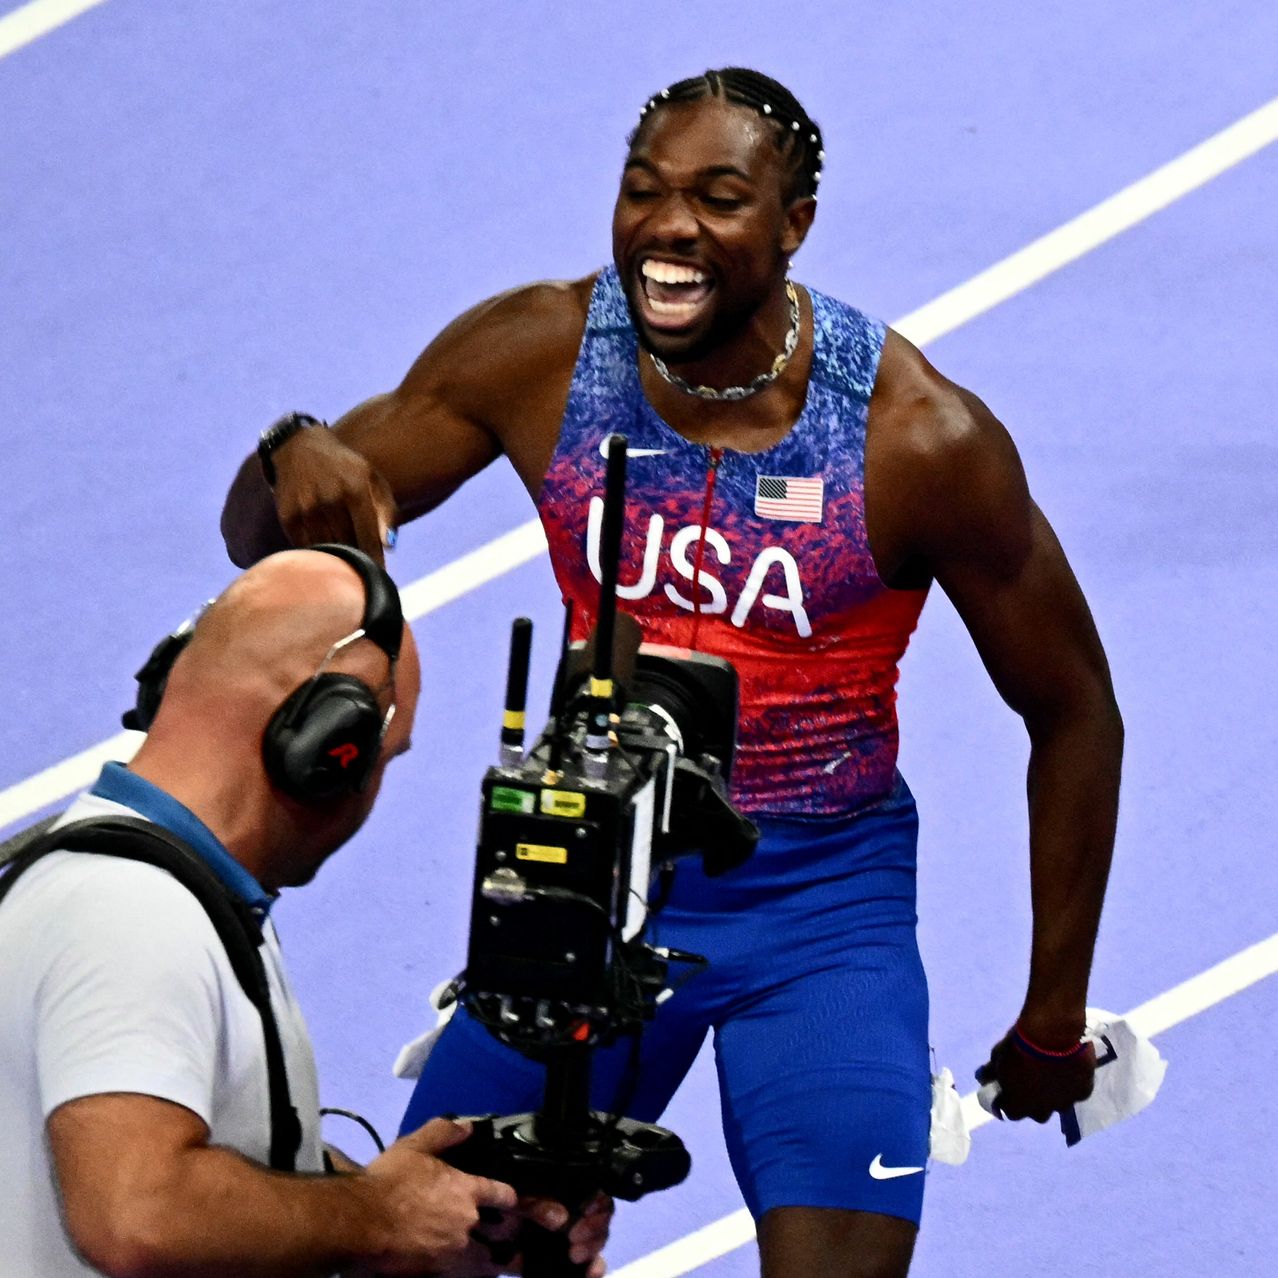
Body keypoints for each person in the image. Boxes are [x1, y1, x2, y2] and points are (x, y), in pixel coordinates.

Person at [220, 68, 1124, 1278]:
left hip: (822, 917)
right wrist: (290, 450)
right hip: (581, 892)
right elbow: (266, 527)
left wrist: (1055, 1011)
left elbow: (1074, 713)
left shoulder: (915, 441)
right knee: (413, 1247)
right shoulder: (537, 356)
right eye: (643, 191)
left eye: (717, 196)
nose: (668, 226)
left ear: (792, 224)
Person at [0, 547, 609, 1278]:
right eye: (379, 759)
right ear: (327, 748)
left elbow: (233, 1150)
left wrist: (420, 1211)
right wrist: (380, 1217)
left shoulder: (163, 890)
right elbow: (140, 1212)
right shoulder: (131, 913)